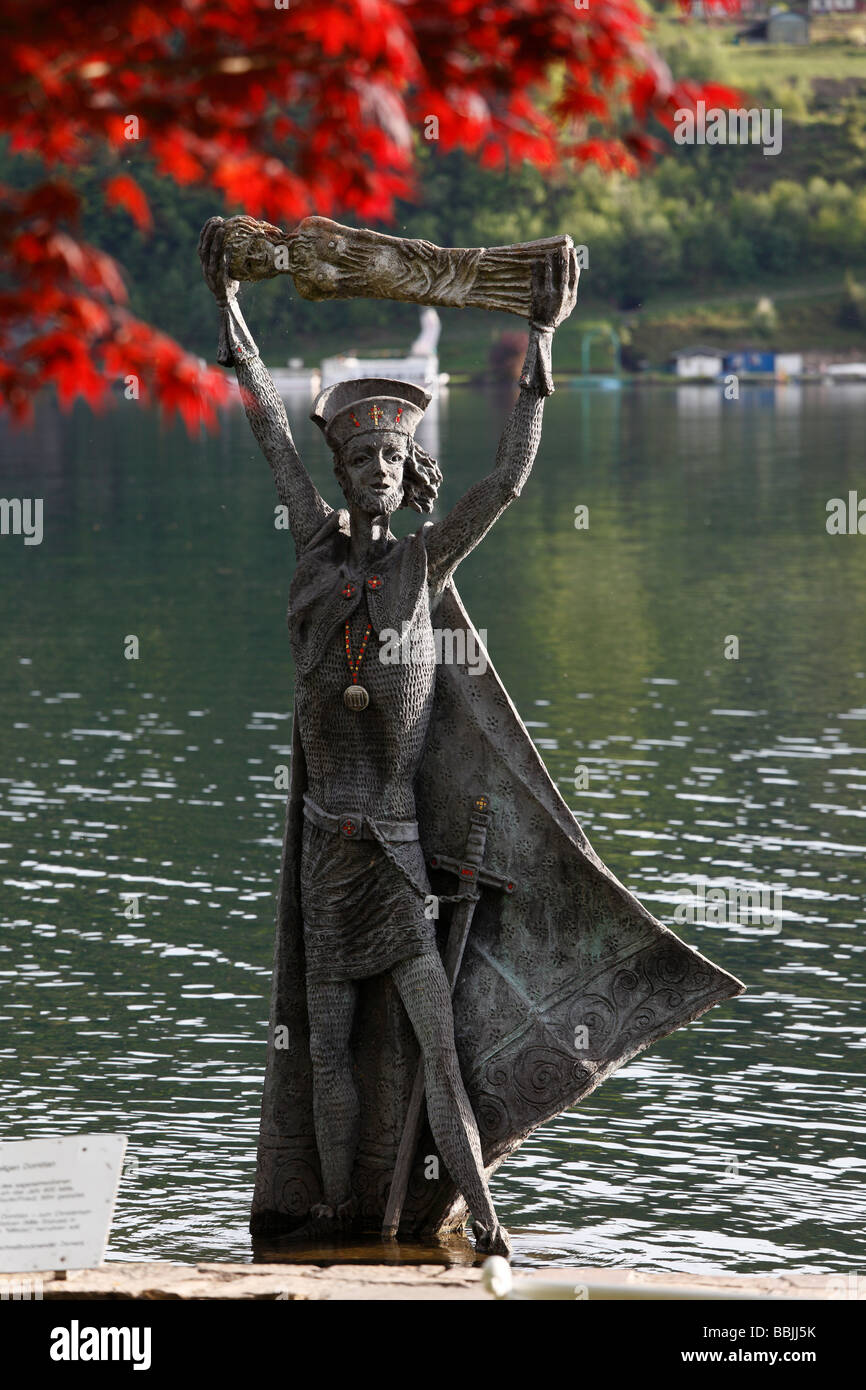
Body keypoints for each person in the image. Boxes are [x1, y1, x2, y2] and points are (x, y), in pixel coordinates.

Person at [199, 216, 577, 1255]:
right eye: (359, 453)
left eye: (390, 456)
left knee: (437, 1051)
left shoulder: (421, 568)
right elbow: (271, 433)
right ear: (342, 463)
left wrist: (539, 349)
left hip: (397, 856)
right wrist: (233, 319)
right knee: (324, 1049)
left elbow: (502, 482)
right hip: (327, 853)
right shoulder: (315, 555)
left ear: (410, 471)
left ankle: (488, 1222)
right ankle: (331, 1218)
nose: (373, 467)